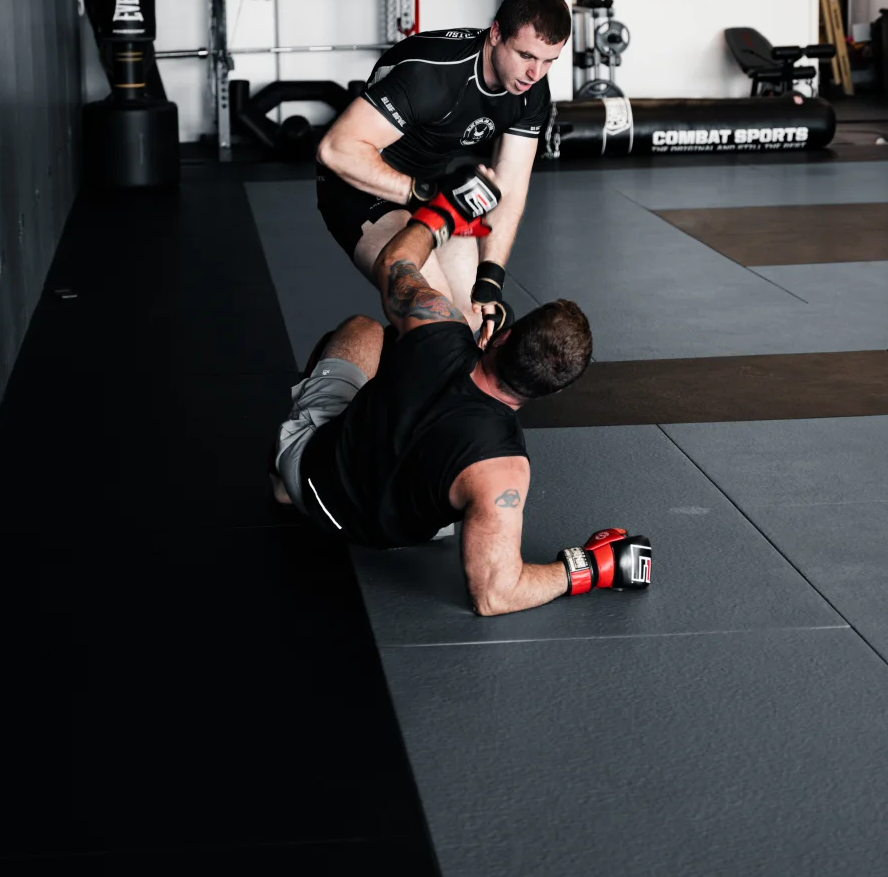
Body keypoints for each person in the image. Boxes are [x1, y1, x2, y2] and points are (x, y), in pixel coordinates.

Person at [270, 202, 651, 618]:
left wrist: (438, 217)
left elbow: (395, 260)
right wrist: (591, 568)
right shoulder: (503, 469)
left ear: (502, 337)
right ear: (551, 392)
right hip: (386, 534)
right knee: (463, 497)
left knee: (360, 329)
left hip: (311, 476)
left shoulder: (434, 324)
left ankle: (285, 482)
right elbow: (495, 596)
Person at [315, 0, 571, 331]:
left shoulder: (532, 90)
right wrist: (424, 193)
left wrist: (491, 275)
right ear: (496, 33)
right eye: (526, 56)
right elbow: (336, 148)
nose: (535, 74)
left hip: (433, 191)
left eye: (549, 61)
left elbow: (509, 187)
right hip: (360, 188)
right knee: (438, 321)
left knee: (475, 322)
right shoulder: (432, 73)